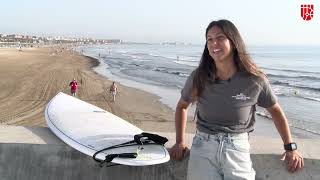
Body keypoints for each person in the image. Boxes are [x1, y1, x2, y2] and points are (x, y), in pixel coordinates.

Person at [169, 19, 304, 180]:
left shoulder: (254, 80)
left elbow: (275, 111)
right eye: (209, 39)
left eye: (220, 38)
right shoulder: (199, 76)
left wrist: (290, 148)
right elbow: (182, 106)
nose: (214, 43)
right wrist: (179, 142)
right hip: (203, 147)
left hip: (237, 148)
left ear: (233, 42)